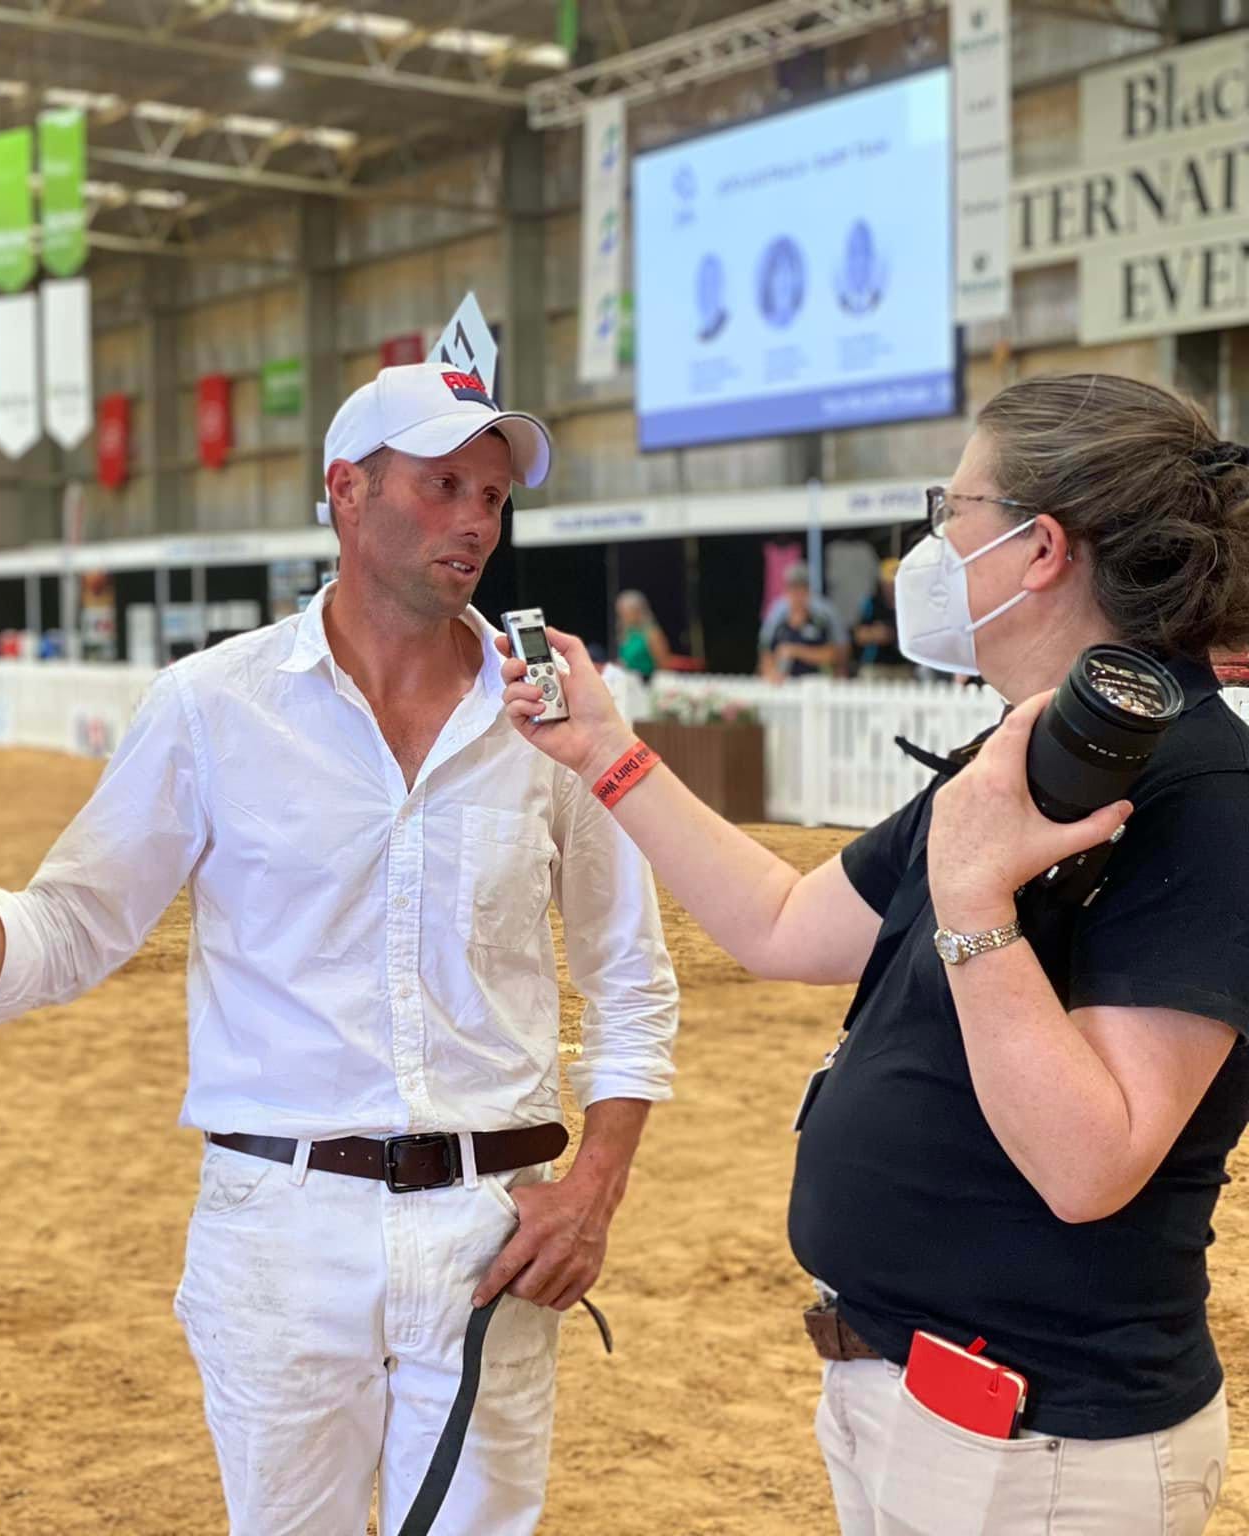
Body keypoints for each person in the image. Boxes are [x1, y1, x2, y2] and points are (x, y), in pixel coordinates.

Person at [0, 360, 680, 1534]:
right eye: (442, 484)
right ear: (346, 490)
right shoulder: (210, 707)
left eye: (493, 496)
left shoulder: (550, 715)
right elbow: (66, 931)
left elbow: (628, 977)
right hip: (279, 1231)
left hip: (490, 1236)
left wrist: (592, 1191)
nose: (474, 520)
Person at [500, 373, 1249, 1535]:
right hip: (916, 1406)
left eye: (950, 511)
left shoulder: (1202, 797)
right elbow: (781, 922)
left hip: (1043, 1445)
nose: (931, 546)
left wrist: (971, 894)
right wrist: (605, 751)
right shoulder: (1026, 756)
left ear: (1038, 548)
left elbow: (1088, 1161)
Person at [758, 563, 844, 680]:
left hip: (815, 682)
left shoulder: (819, 620)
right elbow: (767, 653)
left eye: (801, 590)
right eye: (793, 590)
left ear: (808, 592)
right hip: (786, 683)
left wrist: (796, 651)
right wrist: (770, 672)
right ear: (787, 592)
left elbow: (832, 654)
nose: (797, 595)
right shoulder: (779, 622)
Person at [851, 558, 905, 677]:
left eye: (894, 583)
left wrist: (890, 634)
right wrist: (874, 634)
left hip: (905, 666)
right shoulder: (872, 603)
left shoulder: (910, 604)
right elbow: (858, 635)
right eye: (888, 583)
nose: (891, 587)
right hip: (875, 665)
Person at [614, 589, 671, 681]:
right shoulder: (627, 633)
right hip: (629, 680)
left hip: (648, 681)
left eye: (625, 612)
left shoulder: (652, 633)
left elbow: (663, 664)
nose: (622, 617)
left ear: (637, 611)